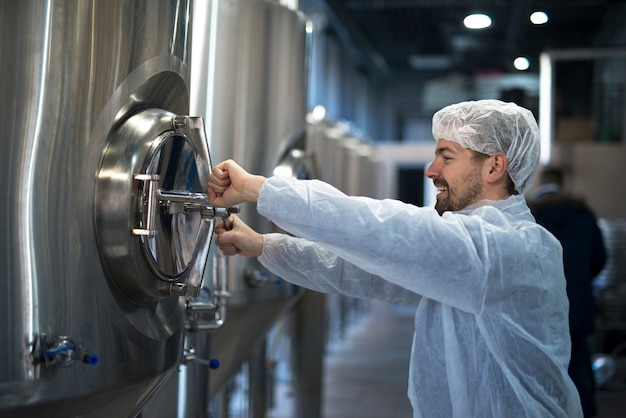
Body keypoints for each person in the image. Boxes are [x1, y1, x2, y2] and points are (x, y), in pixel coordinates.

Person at [207, 100, 583, 417]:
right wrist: (263, 246)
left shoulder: (505, 246)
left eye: (446, 157)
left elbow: (381, 228)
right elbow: (364, 271)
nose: (431, 170)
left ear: (494, 167)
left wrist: (258, 188)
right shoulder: (472, 251)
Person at [529, 167, 607, 417]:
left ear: (540, 184)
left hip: (539, 307)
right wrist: (580, 282)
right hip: (578, 304)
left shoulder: (530, 215)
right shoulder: (585, 215)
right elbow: (600, 257)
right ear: (563, 185)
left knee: (539, 369)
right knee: (578, 367)